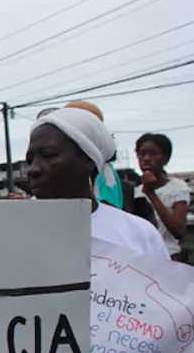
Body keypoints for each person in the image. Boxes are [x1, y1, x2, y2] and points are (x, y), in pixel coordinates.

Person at [27, 107, 168, 259]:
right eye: (30, 161)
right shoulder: (13, 232)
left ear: (88, 162)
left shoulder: (139, 234)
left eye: (48, 155)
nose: (33, 170)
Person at [135, 133, 190, 260]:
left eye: (154, 153)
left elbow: (179, 231)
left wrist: (151, 194)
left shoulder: (177, 188)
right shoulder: (135, 191)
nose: (147, 158)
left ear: (166, 158)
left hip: (168, 257)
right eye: (142, 154)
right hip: (143, 258)